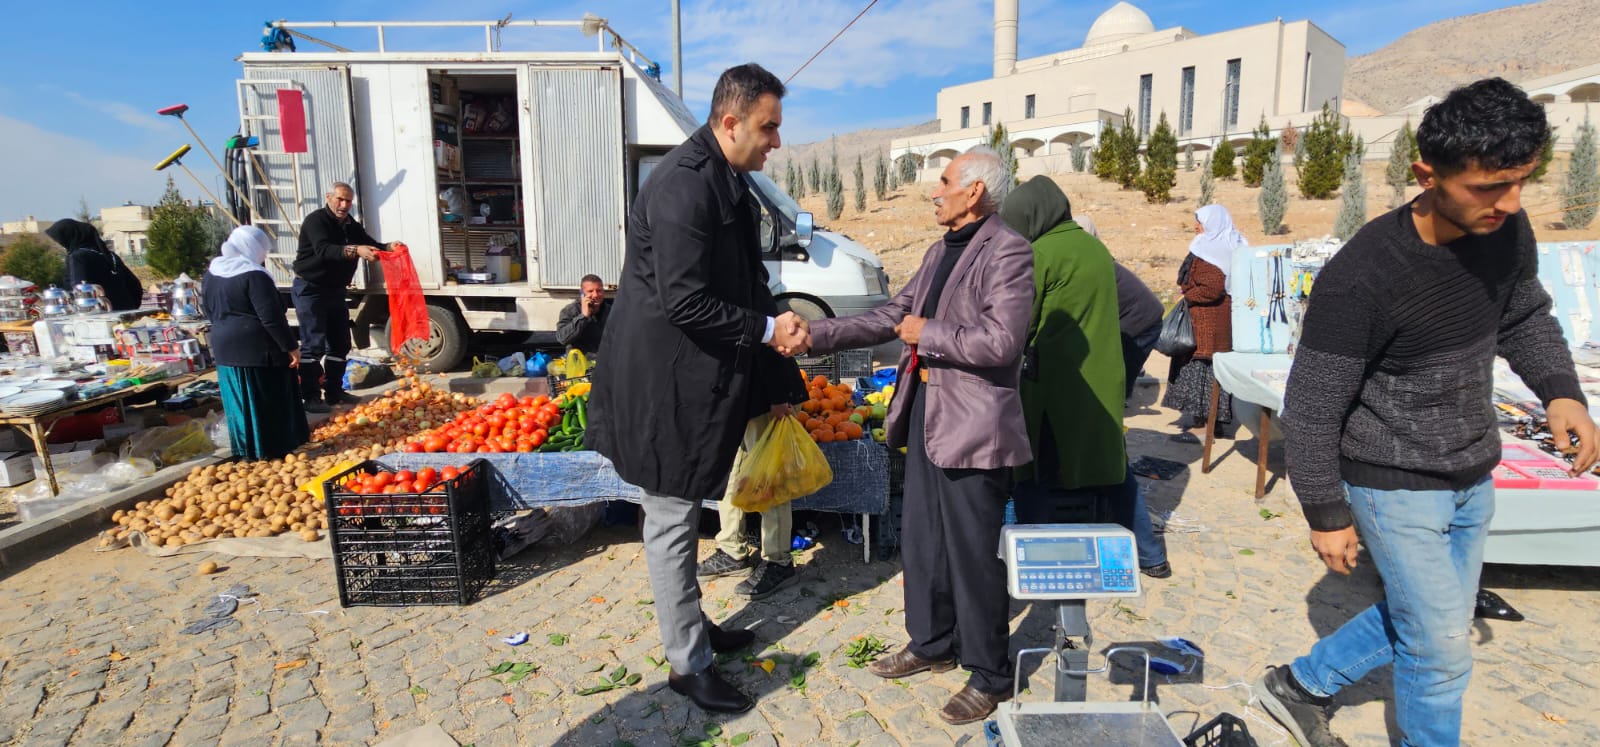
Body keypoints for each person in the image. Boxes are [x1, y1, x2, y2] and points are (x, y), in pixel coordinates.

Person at [1261, 78, 1599, 747]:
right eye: (1487, 188)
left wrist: (1561, 390)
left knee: (1426, 616)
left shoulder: (1506, 230)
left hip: (1474, 471)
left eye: (1522, 182)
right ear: (1426, 173)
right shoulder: (1361, 277)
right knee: (1442, 647)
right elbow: (1313, 402)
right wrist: (1326, 512)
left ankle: (1299, 684)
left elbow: (1523, 310)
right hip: (1391, 482)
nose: (1509, 203)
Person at [586, 63, 809, 715]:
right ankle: (687, 663)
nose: (776, 141)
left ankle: (695, 626)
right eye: (768, 127)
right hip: (665, 386)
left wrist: (776, 361)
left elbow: (745, 278)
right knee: (672, 520)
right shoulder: (684, 188)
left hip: (693, 379)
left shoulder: (727, 178)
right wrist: (768, 329)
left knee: (686, 513)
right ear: (730, 120)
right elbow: (686, 302)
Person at [794, 145, 1034, 726]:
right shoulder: (938, 252)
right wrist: (813, 335)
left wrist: (930, 331)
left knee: (974, 550)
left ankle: (990, 673)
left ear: (973, 190)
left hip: (975, 423)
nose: (935, 189)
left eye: (945, 180)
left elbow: (1002, 342)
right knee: (923, 536)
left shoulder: (1009, 251)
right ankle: (931, 643)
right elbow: (888, 316)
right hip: (927, 410)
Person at [999, 178, 1170, 578]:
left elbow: (1018, 322)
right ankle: (1150, 556)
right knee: (1111, 468)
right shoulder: (1092, 246)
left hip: (1057, 387)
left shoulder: (1042, 252)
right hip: (1100, 379)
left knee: (1032, 475)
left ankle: (1031, 566)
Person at [202, 225, 309, 460]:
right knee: (265, 401)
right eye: (262, 250)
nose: (263, 256)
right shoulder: (254, 275)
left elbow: (208, 310)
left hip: (224, 349)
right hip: (258, 351)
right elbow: (271, 318)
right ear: (252, 248)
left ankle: (247, 450)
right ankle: (272, 449)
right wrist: (291, 346)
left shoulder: (212, 272)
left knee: (239, 404)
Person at [293, 182, 389, 414]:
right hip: (311, 288)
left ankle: (335, 392)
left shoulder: (349, 225)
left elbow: (367, 242)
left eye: (348, 201)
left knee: (340, 343)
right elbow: (324, 249)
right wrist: (355, 251)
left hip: (335, 290)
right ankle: (311, 397)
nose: (344, 205)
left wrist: (387, 247)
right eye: (340, 199)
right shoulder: (316, 221)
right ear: (328, 197)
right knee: (313, 345)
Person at [696, 404, 798, 600]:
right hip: (733, 396)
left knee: (768, 476)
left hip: (763, 395)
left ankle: (778, 561)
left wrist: (777, 397)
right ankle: (731, 551)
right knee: (729, 468)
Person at [1161, 205, 1241, 443]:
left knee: (1202, 374)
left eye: (1201, 222)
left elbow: (1212, 288)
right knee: (1211, 375)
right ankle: (1210, 424)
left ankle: (1204, 427)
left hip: (1206, 324)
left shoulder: (1212, 251)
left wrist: (1187, 296)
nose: (1196, 226)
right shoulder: (1228, 245)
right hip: (1215, 324)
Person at [1077, 216, 1166, 402]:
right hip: (1135, 318)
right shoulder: (1098, 258)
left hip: (1143, 322)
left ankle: (1117, 408)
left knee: (1119, 374)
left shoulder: (1097, 265)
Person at [45, 219, 143, 310]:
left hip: (100, 315)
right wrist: (131, 306)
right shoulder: (110, 256)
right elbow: (135, 285)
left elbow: (79, 289)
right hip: (127, 312)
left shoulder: (78, 257)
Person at [555, 274, 612, 355]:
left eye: (599, 290)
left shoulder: (610, 310)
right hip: (579, 363)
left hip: (603, 361)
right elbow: (562, 339)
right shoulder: (570, 310)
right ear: (582, 293)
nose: (595, 295)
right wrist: (583, 316)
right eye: (590, 291)